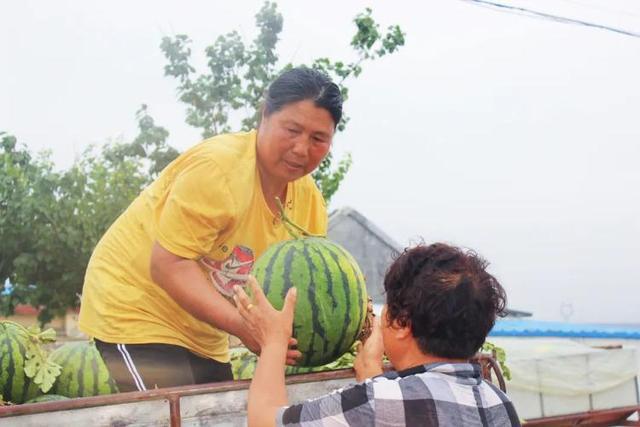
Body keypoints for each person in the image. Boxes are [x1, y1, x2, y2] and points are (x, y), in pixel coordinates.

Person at [78, 67, 342, 391]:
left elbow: (307, 283)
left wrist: (355, 326)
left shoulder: (310, 201)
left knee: (215, 416)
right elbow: (167, 264)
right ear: (264, 115)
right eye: (292, 129)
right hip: (135, 303)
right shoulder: (218, 170)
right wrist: (245, 327)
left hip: (202, 329)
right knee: (168, 416)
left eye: (318, 138)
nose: (301, 148)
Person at [235, 242, 521, 426]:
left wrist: (273, 342)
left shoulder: (375, 401)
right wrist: (372, 369)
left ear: (402, 322)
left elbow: (265, 422)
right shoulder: (498, 402)